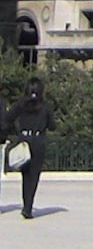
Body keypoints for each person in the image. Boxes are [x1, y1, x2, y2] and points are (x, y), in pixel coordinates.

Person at [4, 77, 55, 219]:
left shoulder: (20, 104)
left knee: (25, 175)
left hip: (23, 139)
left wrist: (17, 131)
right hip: (38, 141)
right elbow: (52, 125)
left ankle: (25, 204)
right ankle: (28, 207)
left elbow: (8, 118)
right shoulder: (45, 106)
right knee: (34, 176)